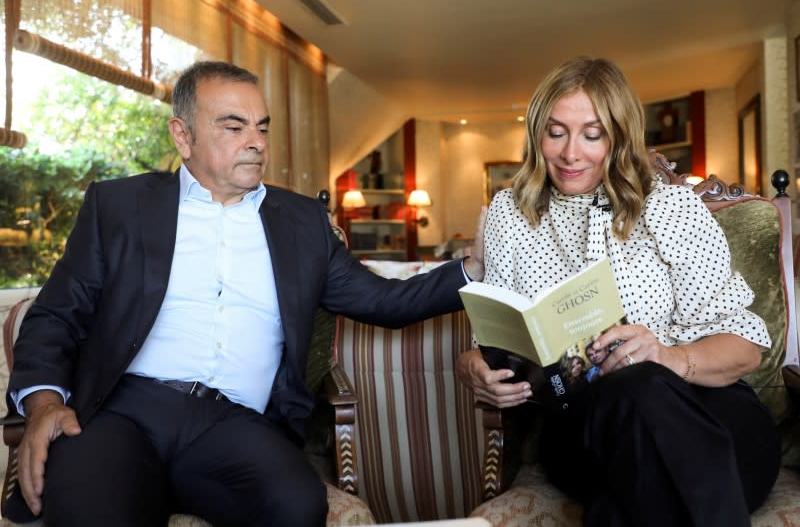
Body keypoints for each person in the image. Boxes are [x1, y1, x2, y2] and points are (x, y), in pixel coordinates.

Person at [6, 61, 485, 527]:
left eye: (262, 127)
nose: (256, 142)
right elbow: (54, 316)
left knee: (297, 505)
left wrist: (474, 267)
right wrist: (45, 401)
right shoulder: (120, 206)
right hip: (124, 412)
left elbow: (386, 301)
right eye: (234, 127)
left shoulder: (302, 223)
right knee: (91, 510)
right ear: (182, 135)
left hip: (233, 423)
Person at [456, 56, 780, 526]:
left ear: (620, 136)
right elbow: (492, 339)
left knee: (642, 400)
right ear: (535, 135)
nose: (571, 153)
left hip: (713, 417)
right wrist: (472, 367)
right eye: (556, 131)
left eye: (593, 134)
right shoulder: (510, 213)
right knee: (633, 394)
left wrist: (670, 358)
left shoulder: (669, 207)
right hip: (585, 429)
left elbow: (746, 348)